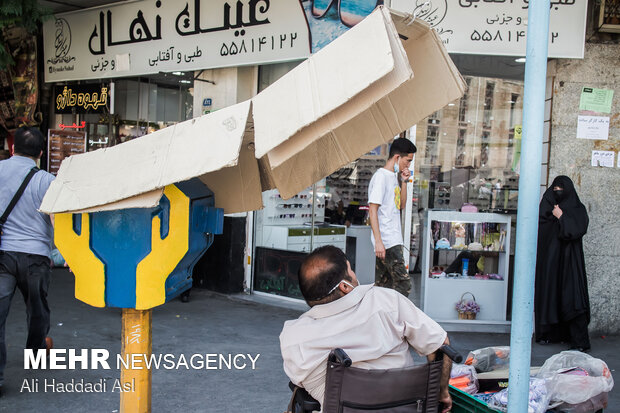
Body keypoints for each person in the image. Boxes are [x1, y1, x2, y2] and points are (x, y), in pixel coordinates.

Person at [280, 246, 452, 412]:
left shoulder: (293, 338)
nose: (355, 274)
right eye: (351, 270)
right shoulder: (386, 301)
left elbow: (302, 384)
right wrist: (441, 392)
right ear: (345, 286)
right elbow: (439, 343)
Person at [0, 127, 55, 396]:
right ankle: (36, 353)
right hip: (36, 256)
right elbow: (56, 218)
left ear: (12, 148)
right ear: (41, 154)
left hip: (2, 255)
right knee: (37, 308)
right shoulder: (47, 180)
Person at [535, 175, 591, 352]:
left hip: (570, 261)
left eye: (561, 189)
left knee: (572, 297)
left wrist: (561, 217)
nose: (557, 192)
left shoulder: (576, 208)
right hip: (551, 262)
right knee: (551, 295)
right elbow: (542, 225)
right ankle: (550, 334)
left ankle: (578, 340)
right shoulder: (547, 205)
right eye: (555, 189)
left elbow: (577, 229)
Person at [368, 138, 416, 297]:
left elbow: (401, 205)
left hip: (392, 238)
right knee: (404, 284)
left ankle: (380, 318)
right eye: (407, 161)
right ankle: (395, 317)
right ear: (397, 157)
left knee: (383, 286)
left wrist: (404, 181)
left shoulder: (393, 177)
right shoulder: (381, 177)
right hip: (388, 241)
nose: (408, 165)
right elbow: (372, 210)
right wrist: (379, 242)